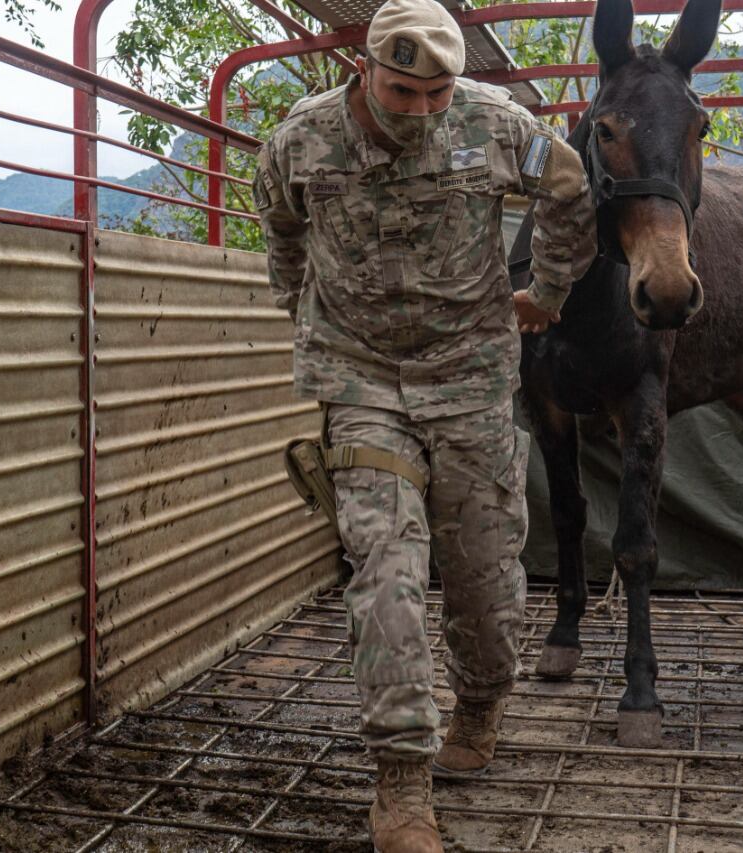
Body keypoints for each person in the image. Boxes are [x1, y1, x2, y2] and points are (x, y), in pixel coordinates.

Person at [254, 0, 595, 847]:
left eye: (437, 94)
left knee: (484, 573)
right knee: (386, 568)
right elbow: (280, 225)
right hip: (361, 379)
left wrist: (546, 294)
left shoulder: (492, 121)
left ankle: (479, 703)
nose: (421, 112)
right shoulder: (303, 138)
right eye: (405, 92)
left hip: (470, 377)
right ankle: (401, 785)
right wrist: (303, 305)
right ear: (365, 70)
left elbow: (571, 189)